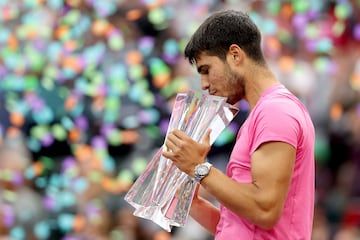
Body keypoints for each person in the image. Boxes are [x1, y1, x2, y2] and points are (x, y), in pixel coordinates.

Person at [162, 10, 315, 239]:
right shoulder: (262, 113)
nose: (203, 84)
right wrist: (191, 201)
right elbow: (239, 226)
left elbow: (265, 211)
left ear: (235, 55)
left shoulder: (276, 111)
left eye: (206, 70)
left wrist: (199, 168)